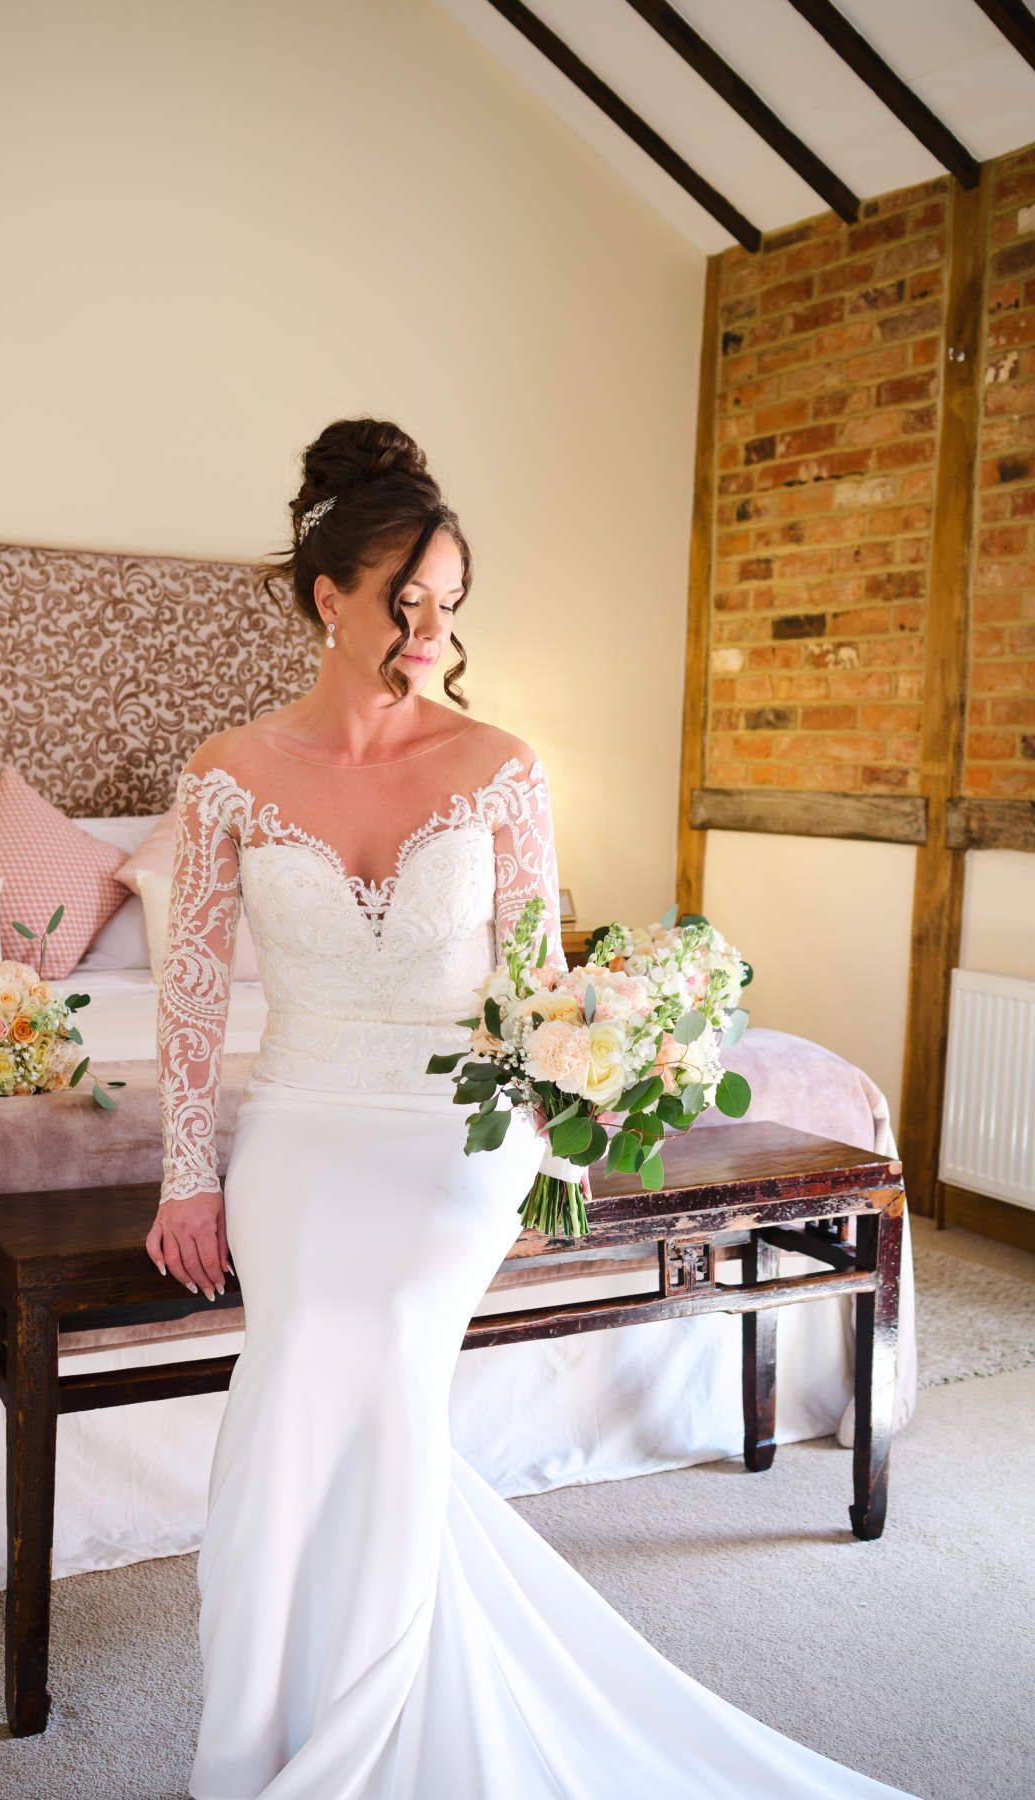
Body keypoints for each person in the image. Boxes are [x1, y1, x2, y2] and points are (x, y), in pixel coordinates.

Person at [147, 418, 919, 1798]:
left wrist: (591, 1087)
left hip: (461, 1131)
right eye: (407, 601)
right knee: (299, 1369)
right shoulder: (225, 776)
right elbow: (192, 998)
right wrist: (186, 1177)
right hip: (303, 1121)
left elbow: (532, 990)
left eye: (450, 603)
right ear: (329, 599)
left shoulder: (501, 764)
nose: (433, 631)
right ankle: (274, 1728)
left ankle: (349, 1746)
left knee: (383, 1347)